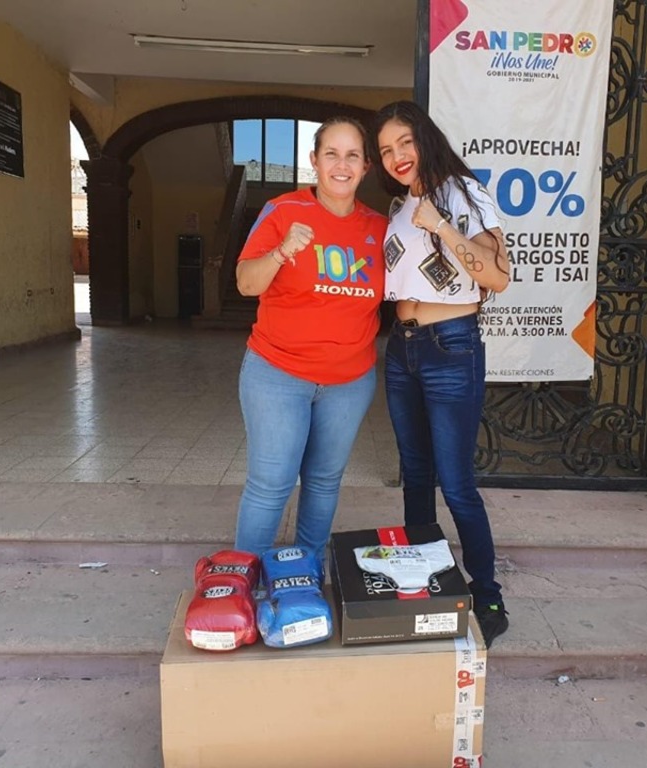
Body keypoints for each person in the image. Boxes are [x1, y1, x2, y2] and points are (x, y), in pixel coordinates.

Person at [369, 100, 512, 647]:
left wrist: (441, 225)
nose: (397, 156)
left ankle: (487, 592)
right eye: (386, 150)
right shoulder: (397, 207)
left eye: (404, 142)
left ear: (425, 138)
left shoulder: (464, 192)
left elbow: (497, 277)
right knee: (415, 473)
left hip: (451, 344)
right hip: (402, 348)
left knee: (455, 482)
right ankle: (422, 578)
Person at [233, 117, 387, 560]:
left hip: (349, 382)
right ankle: (246, 578)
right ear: (314, 161)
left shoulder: (380, 228)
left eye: (353, 155)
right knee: (271, 483)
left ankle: (308, 571)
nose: (342, 165)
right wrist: (282, 252)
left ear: (366, 167)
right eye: (331, 154)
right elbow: (246, 283)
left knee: (323, 481)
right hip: (278, 374)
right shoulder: (282, 212)